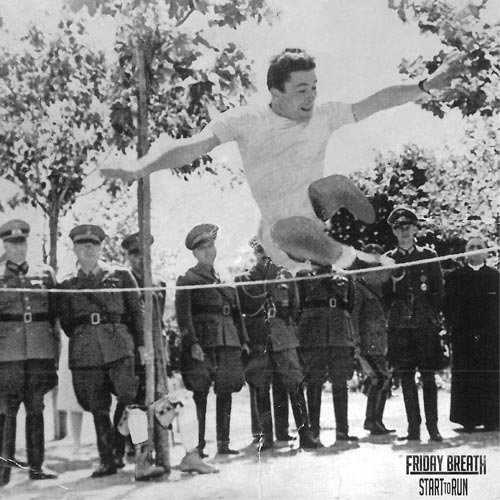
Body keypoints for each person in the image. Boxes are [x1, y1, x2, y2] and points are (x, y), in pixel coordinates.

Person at [102, 48, 462, 272]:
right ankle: (350, 260)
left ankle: (354, 230)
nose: (311, 98)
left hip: (315, 210)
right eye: (301, 90)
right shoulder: (245, 120)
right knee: (287, 228)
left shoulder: (324, 114)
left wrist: (426, 85)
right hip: (282, 234)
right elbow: (194, 146)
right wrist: (141, 167)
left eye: (314, 88)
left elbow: (375, 102)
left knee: (333, 186)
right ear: (275, 93)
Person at [58, 224, 163, 480]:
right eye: (83, 245)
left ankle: (122, 446)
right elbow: (67, 323)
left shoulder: (121, 275)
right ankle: (108, 460)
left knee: (129, 396)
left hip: (119, 347)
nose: (89, 249)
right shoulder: (67, 284)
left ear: (100, 248)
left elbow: (136, 313)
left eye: (93, 245)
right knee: (98, 406)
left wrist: (141, 345)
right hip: (86, 352)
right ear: (75, 250)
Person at [122, 232, 216, 473]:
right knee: (136, 406)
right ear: (127, 256)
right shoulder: (123, 282)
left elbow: (159, 323)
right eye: (134, 253)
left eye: (144, 252)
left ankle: (190, 456)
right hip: (133, 356)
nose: (140, 258)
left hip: (157, 358)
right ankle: (140, 459)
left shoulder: (159, 283)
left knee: (175, 402)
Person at [236, 238, 320, 451]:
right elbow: (241, 312)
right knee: (261, 386)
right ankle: (266, 437)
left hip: (283, 337)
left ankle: (305, 434)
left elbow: (295, 308)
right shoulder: (245, 279)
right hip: (258, 338)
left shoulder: (286, 276)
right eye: (260, 251)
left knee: (295, 384)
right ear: (255, 252)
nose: (265, 255)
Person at [175, 224, 249, 456]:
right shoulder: (188, 278)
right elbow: (183, 315)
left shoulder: (225, 278)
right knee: (200, 392)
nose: (208, 252)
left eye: (210, 246)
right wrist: (192, 343)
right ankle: (198, 446)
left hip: (228, 340)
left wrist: (243, 340)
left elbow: (237, 313)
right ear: (195, 253)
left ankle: (224, 444)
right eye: (202, 249)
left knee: (226, 389)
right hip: (204, 342)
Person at [0, 219, 59, 485]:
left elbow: (55, 314)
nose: (17, 248)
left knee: (36, 407)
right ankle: (3, 470)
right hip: (7, 354)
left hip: (39, 351)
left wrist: (53, 352)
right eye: (12, 243)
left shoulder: (44, 273)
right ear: (4, 245)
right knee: (6, 410)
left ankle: (37, 467)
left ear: (27, 243)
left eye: (21, 242)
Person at [382, 208, 444, 442]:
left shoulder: (428, 255)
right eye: (399, 228)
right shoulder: (388, 260)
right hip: (400, 325)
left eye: (408, 227)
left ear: (416, 229)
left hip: (424, 323)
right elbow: (385, 295)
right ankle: (413, 428)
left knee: (428, 377)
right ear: (394, 232)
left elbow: (438, 290)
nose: (404, 232)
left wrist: (429, 314)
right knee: (406, 377)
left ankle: (433, 427)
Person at [297, 264, 358, 443]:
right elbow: (298, 305)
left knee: (340, 380)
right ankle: (313, 432)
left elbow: (351, 305)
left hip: (339, 333)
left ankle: (342, 431)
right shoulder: (303, 274)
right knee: (314, 382)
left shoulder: (345, 275)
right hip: (313, 334)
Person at [444, 236, 499, 432]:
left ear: (486, 252)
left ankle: (492, 419)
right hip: (463, 335)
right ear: (465, 253)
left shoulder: (495, 277)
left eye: (479, 246)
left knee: (489, 375)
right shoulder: (455, 277)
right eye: (471, 247)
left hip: (491, 336)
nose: (475, 249)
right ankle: (467, 419)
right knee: (465, 375)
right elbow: (448, 306)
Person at [350, 244, 394, 436]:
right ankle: (371, 421)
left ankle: (376, 421)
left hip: (380, 341)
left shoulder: (381, 286)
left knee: (382, 378)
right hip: (367, 342)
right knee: (379, 378)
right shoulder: (359, 287)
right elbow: (354, 316)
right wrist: (357, 342)